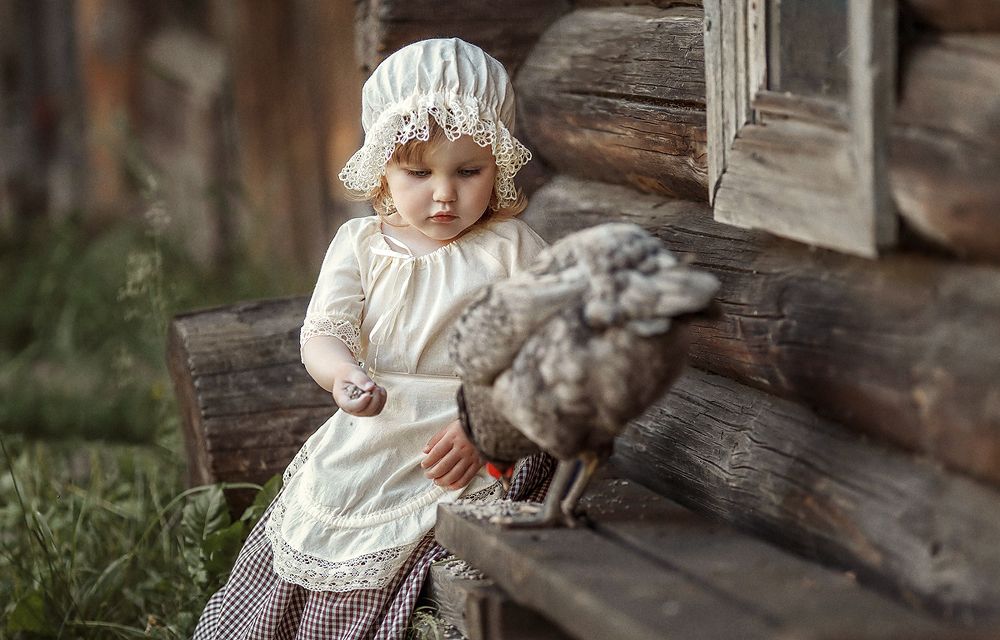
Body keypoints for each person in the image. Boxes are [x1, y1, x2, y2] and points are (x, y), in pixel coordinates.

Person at [193, 38, 554, 639]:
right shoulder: (360, 244)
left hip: (474, 428)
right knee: (328, 511)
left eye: (468, 172)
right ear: (383, 167)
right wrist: (343, 375)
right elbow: (323, 332)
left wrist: (486, 424)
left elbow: (552, 353)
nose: (444, 193)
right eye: (419, 172)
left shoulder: (512, 250)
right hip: (380, 425)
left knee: (448, 526)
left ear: (499, 164)